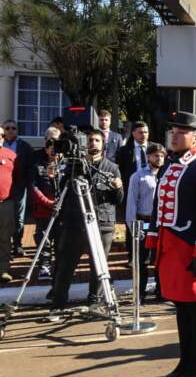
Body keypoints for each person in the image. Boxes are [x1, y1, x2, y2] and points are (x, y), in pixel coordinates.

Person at [144, 112, 196, 377]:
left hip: (192, 247)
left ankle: (195, 364)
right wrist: (153, 241)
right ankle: (185, 361)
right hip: (171, 247)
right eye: (172, 132)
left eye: (181, 133)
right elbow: (157, 207)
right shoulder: (170, 166)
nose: (174, 137)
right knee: (181, 306)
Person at [49, 130, 124, 319]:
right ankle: (58, 304)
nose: (93, 143)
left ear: (103, 144)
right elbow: (62, 192)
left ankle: (94, 302)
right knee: (65, 266)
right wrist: (54, 176)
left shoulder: (112, 167)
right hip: (75, 224)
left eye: (97, 140)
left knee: (98, 266)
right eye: (90, 140)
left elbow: (118, 199)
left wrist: (118, 187)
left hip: (102, 224)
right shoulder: (73, 166)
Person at [125, 143, 167, 301]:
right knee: (142, 261)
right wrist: (133, 226)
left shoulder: (168, 176)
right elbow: (131, 203)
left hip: (162, 223)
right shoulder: (138, 176)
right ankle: (140, 293)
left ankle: (161, 290)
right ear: (149, 157)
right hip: (144, 222)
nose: (159, 158)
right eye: (156, 155)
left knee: (161, 259)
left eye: (162, 155)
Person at [115, 121, 154, 261]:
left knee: (150, 224)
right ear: (133, 133)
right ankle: (133, 256)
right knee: (132, 222)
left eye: (146, 132)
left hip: (150, 191)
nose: (144, 135)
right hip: (131, 191)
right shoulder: (124, 150)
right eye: (140, 132)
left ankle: (150, 255)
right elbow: (119, 171)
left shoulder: (154, 148)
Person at [29, 127, 62, 281]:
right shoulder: (37, 162)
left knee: (61, 240)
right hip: (43, 210)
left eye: (56, 143)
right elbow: (33, 186)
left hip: (62, 210)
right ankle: (44, 266)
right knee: (44, 240)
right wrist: (49, 203)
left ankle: (60, 268)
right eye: (50, 143)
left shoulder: (66, 163)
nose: (53, 147)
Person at [2, 119, 33, 257]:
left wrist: (26, 183)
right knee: (4, 217)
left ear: (17, 130)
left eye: (13, 128)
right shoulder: (1, 145)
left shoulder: (25, 146)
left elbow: (30, 166)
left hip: (19, 187)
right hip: (3, 188)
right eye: (7, 128)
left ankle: (17, 244)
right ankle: (5, 246)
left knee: (18, 217)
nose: (10, 130)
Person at [0, 125, 17, 283]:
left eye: (1, 135)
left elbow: (18, 177)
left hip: (6, 203)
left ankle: (3, 269)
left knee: (5, 237)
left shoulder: (11, 155)